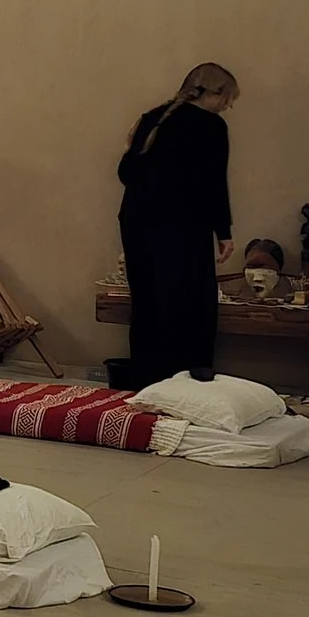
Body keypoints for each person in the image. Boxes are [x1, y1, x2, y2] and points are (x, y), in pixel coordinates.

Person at [117, 63, 238, 387]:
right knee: (190, 302)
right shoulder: (210, 126)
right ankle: (187, 381)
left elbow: (126, 174)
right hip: (182, 225)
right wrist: (223, 232)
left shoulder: (152, 118)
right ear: (212, 93)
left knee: (147, 302)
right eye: (227, 98)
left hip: (136, 221)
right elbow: (214, 183)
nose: (227, 106)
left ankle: (146, 379)